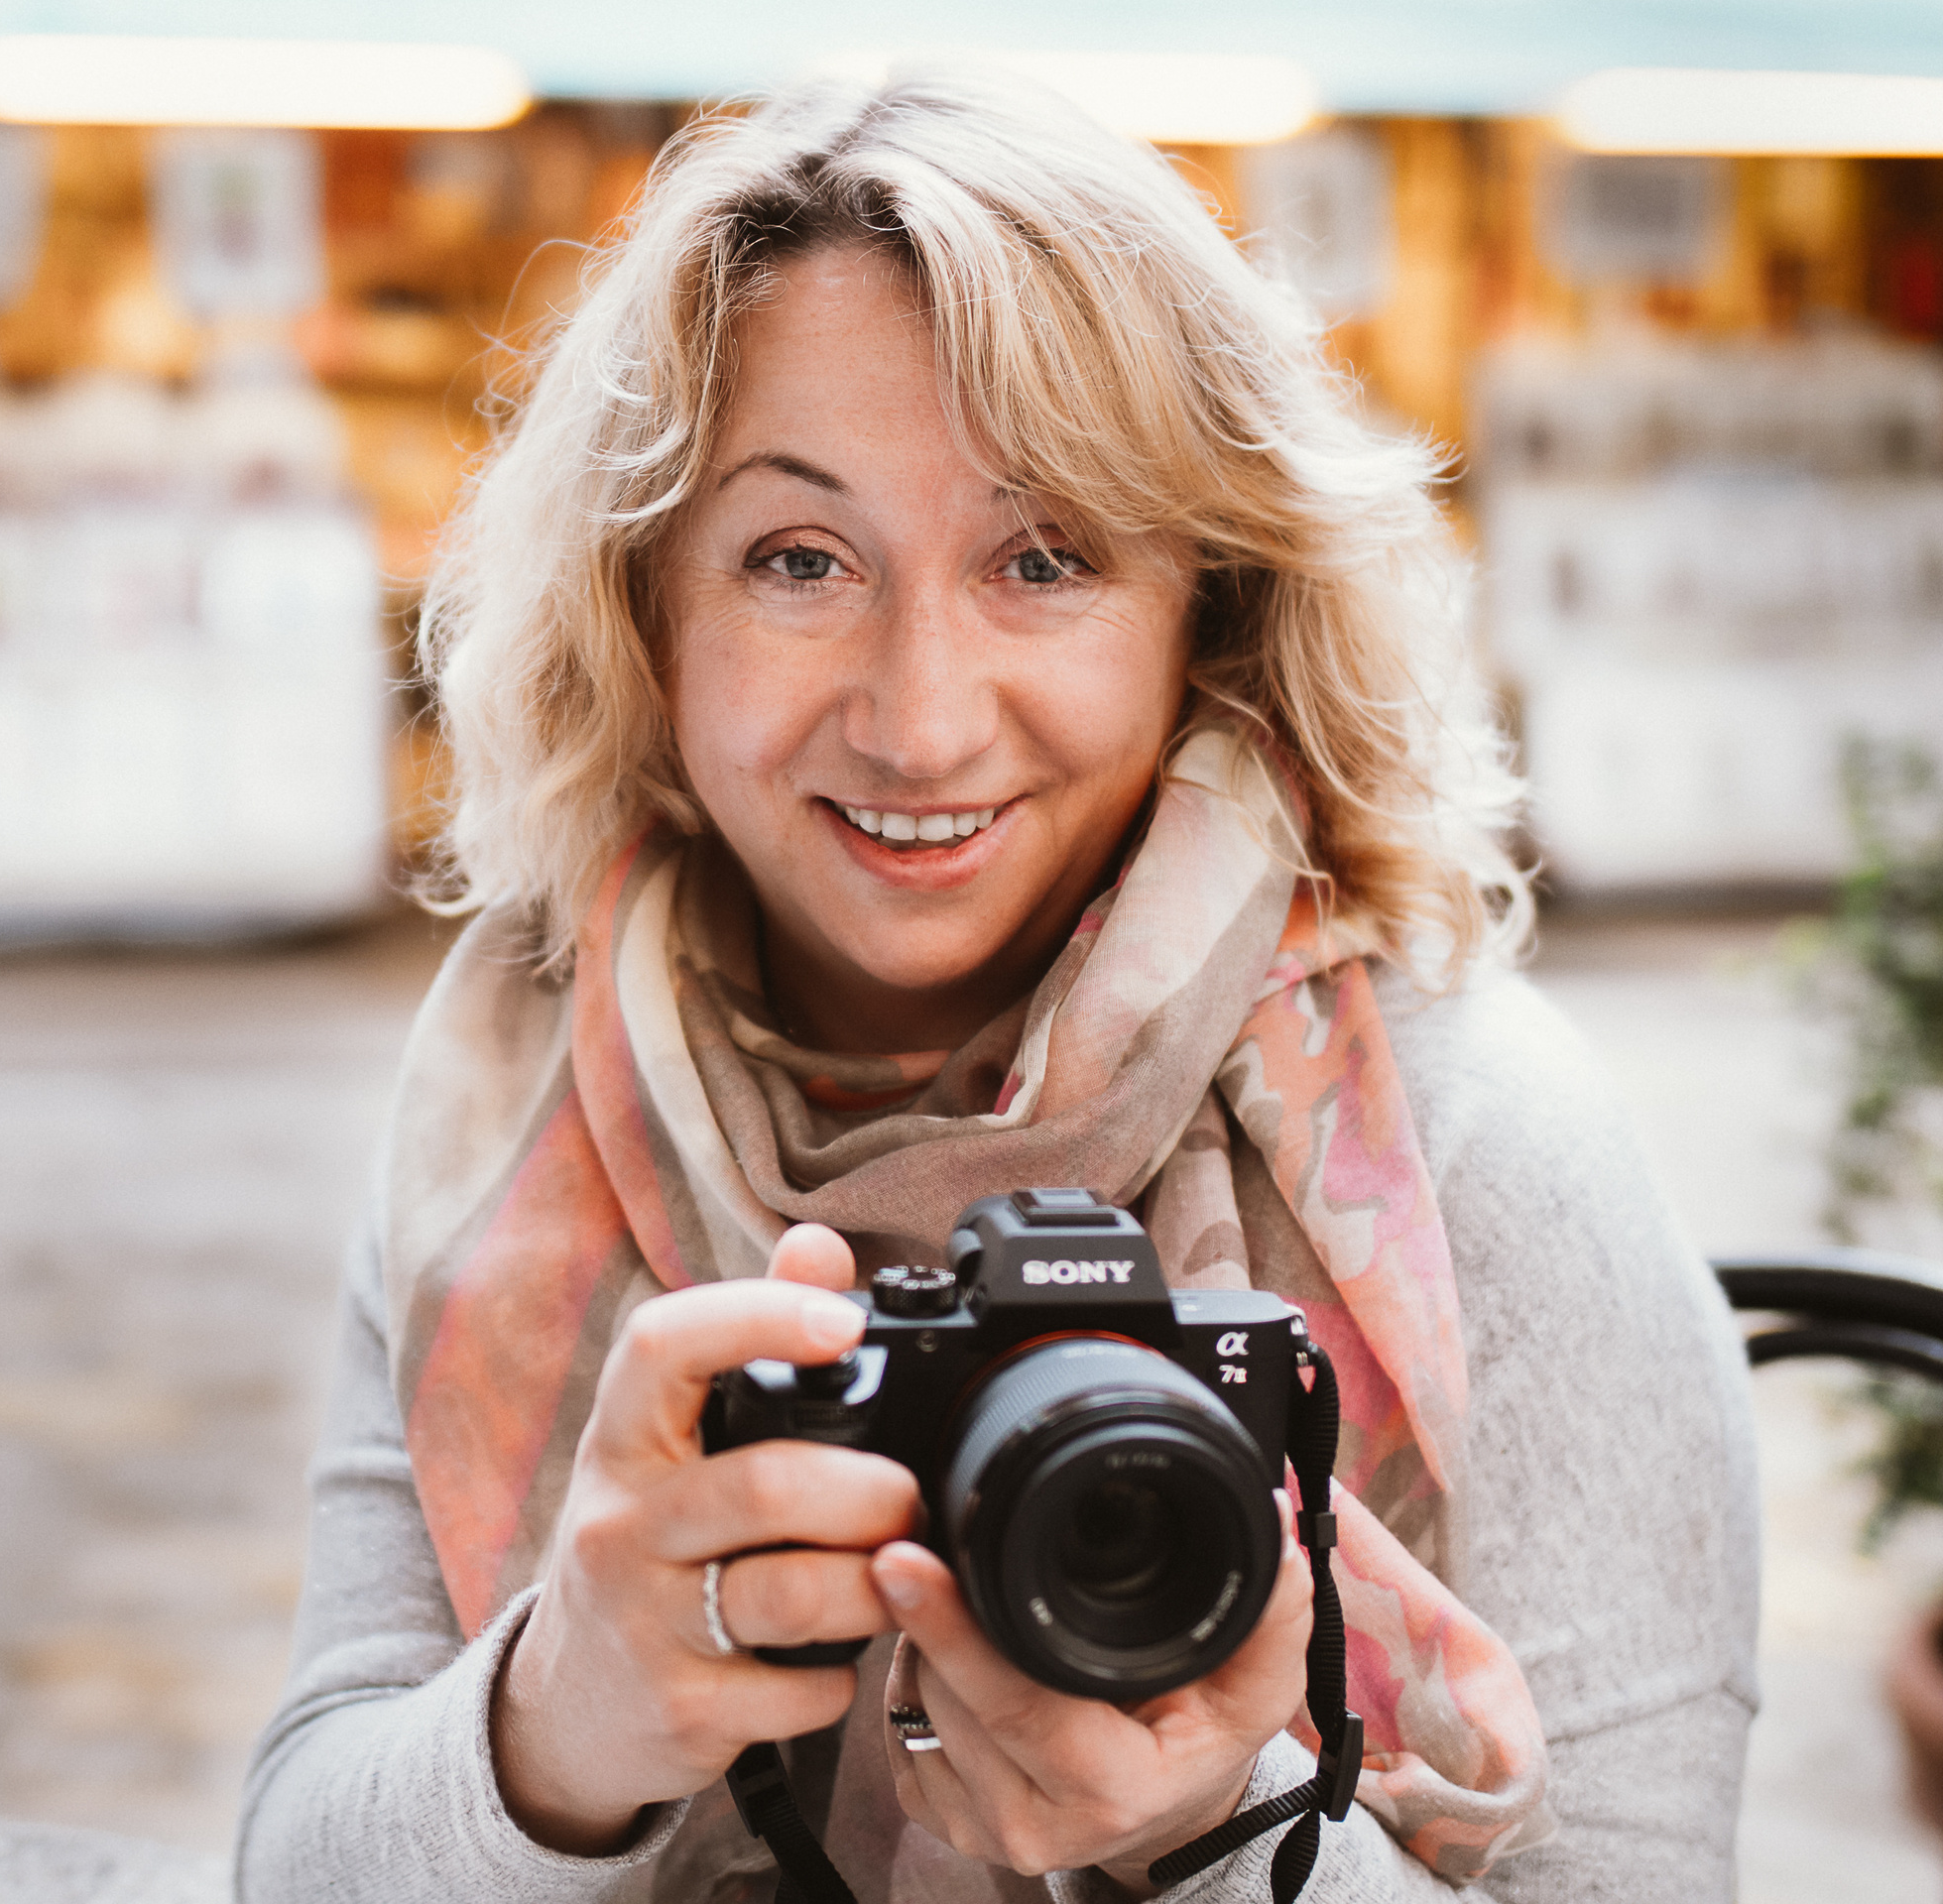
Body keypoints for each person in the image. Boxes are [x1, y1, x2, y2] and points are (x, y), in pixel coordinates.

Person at [237, 68, 1758, 1904]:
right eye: (800, 561)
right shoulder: (517, 1106)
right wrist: (558, 1718)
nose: (921, 718)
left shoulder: (1475, 1140)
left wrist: (1218, 1833)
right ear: (642, 607)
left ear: (1213, 603)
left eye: (1044, 559)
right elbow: (299, 1863)